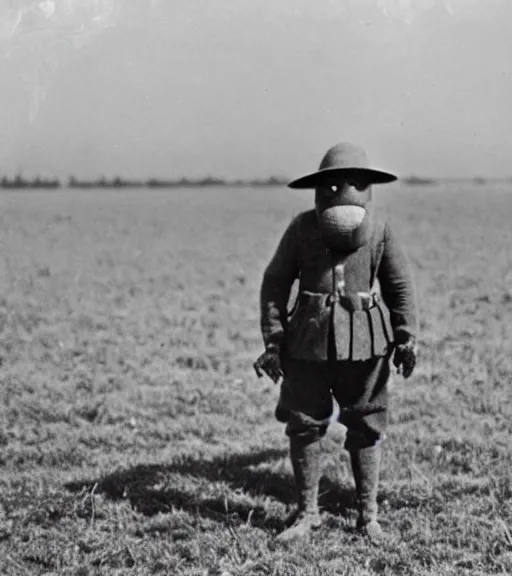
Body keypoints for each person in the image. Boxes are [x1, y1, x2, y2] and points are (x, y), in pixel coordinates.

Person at [254, 142, 418, 543]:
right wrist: (274, 340)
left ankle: (368, 515)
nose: (340, 191)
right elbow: (275, 281)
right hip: (306, 345)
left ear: (368, 188)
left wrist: (406, 337)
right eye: (330, 185)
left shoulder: (380, 231)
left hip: (368, 345)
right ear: (317, 188)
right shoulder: (302, 228)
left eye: (352, 184)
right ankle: (307, 513)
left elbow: (399, 285)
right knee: (304, 423)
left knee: (366, 422)